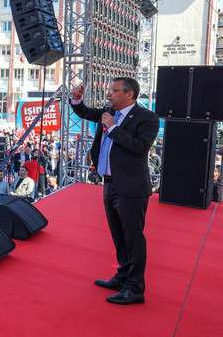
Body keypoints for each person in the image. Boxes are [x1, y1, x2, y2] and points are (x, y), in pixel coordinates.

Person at [70, 78, 159, 305]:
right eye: (109, 90)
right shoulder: (109, 112)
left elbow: (140, 147)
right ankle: (123, 276)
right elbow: (85, 112)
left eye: (114, 90)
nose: (109, 94)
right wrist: (77, 100)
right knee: (118, 235)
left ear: (129, 94)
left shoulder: (147, 118)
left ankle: (135, 288)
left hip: (131, 187)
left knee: (133, 237)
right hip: (109, 183)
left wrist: (113, 128)